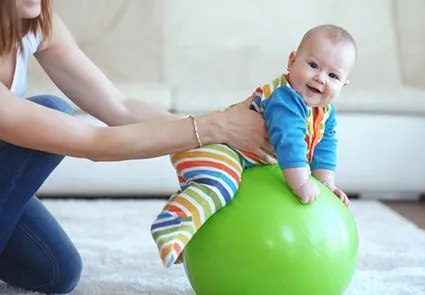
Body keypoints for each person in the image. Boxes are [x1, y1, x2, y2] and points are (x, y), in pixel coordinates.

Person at [0, 0, 274, 293]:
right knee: (53, 109)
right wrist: (216, 126)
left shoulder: (39, 23)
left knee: (57, 271)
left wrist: (223, 138)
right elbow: (93, 143)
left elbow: (119, 107)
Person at [151, 24, 357, 267]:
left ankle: (195, 234)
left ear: (343, 85)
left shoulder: (324, 112)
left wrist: (326, 183)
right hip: (217, 146)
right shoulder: (286, 98)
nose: (320, 78)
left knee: (224, 194)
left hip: (244, 158)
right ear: (292, 61)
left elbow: (325, 146)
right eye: (313, 65)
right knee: (220, 185)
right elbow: (289, 142)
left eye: (333, 76)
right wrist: (301, 182)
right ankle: (172, 224)